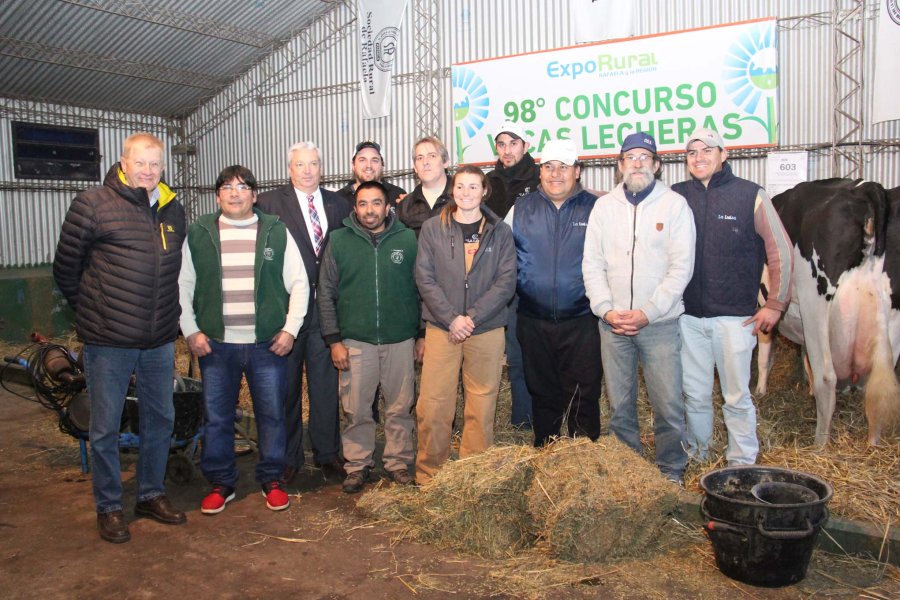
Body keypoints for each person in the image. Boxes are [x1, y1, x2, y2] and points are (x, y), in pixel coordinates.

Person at [53, 132, 187, 543]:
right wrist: (96, 314)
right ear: (123, 163)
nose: (148, 171)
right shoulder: (93, 204)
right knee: (106, 426)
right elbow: (65, 270)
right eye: (140, 162)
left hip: (159, 337)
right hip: (108, 340)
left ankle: (150, 492)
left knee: (160, 419)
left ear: (163, 168)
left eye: (155, 164)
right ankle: (109, 506)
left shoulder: (171, 208)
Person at [179, 165, 309, 513]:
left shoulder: (275, 231)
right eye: (227, 187)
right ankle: (222, 483)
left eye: (242, 187)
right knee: (217, 417)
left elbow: (299, 283)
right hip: (216, 345)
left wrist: (289, 329)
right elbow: (183, 285)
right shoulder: (200, 232)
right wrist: (190, 329)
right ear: (217, 194)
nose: (235, 193)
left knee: (272, 415)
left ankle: (272, 479)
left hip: (266, 344)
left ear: (255, 194)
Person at [672, 128, 792, 466]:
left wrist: (775, 303)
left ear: (723, 155)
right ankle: (699, 455)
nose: (698, 157)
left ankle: (742, 462)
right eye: (692, 151)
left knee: (737, 396)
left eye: (707, 150)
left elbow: (780, 249)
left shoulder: (750, 195)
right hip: (687, 317)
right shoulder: (676, 196)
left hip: (735, 318)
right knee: (694, 394)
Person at [583, 132, 696, 483]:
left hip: (659, 325)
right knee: (619, 405)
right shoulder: (604, 207)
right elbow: (592, 263)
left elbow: (681, 267)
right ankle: (627, 470)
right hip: (612, 325)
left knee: (668, 406)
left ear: (657, 165)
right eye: (630, 157)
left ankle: (670, 470)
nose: (637, 163)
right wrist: (605, 309)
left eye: (644, 157)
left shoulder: (674, 205)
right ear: (619, 166)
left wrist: (648, 311)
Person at [415, 165, 517, 485]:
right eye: (461, 186)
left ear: (484, 191)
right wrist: (451, 318)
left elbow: (506, 282)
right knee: (434, 403)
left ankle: (472, 475)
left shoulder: (499, 231)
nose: (466, 193)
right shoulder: (433, 228)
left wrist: (471, 318)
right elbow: (425, 277)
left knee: (482, 402)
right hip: (442, 328)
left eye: (474, 187)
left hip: (484, 328)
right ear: (452, 190)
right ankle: (430, 474)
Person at [256, 141, 352, 482]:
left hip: (327, 308)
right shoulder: (267, 204)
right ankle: (288, 456)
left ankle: (327, 454)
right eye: (300, 164)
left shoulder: (339, 204)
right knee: (286, 386)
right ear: (289, 169)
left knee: (326, 384)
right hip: (285, 311)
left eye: (314, 163)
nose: (308, 170)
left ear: (321, 168)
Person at [318, 181, 422, 493]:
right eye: (363, 204)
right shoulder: (338, 240)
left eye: (376, 203)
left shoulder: (407, 239)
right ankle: (358, 464)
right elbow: (325, 293)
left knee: (400, 407)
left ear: (387, 206)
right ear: (355, 207)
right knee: (356, 409)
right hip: (356, 341)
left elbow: (421, 290)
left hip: (400, 339)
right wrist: (334, 340)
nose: (369, 210)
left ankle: (398, 463)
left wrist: (421, 335)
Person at [504, 138, 601, 447]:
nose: (555, 173)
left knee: (583, 389)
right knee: (541, 387)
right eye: (548, 167)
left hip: (582, 318)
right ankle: (546, 447)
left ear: (578, 171)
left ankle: (583, 452)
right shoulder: (520, 208)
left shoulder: (596, 207)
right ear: (540, 171)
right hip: (533, 318)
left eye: (564, 167)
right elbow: (500, 257)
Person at [485, 121, 541, 430]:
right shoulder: (488, 182)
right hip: (496, 280)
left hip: (530, 279)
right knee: (512, 354)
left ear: (526, 146)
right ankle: (522, 419)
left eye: (513, 143)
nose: (507, 149)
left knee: (531, 352)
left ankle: (537, 413)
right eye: (501, 144)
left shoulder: (540, 178)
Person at [396, 136, 453, 236]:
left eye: (432, 156)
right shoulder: (405, 206)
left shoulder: (463, 198)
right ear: (415, 168)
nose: (425, 162)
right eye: (420, 158)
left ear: (445, 162)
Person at [335, 140, 406, 206]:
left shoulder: (398, 196)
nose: (369, 166)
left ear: (382, 165)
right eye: (362, 160)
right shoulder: (337, 200)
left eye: (374, 160)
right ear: (353, 165)